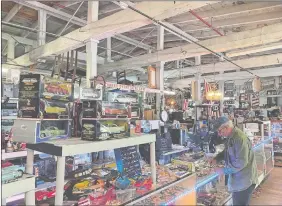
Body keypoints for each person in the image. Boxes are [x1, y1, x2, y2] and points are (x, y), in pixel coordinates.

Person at [210, 116, 258, 206]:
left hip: (244, 182)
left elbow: (241, 163)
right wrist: (217, 158)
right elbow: (227, 151)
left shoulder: (239, 138)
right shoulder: (231, 136)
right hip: (239, 181)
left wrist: (223, 170)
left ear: (226, 127)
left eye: (220, 131)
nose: (219, 134)